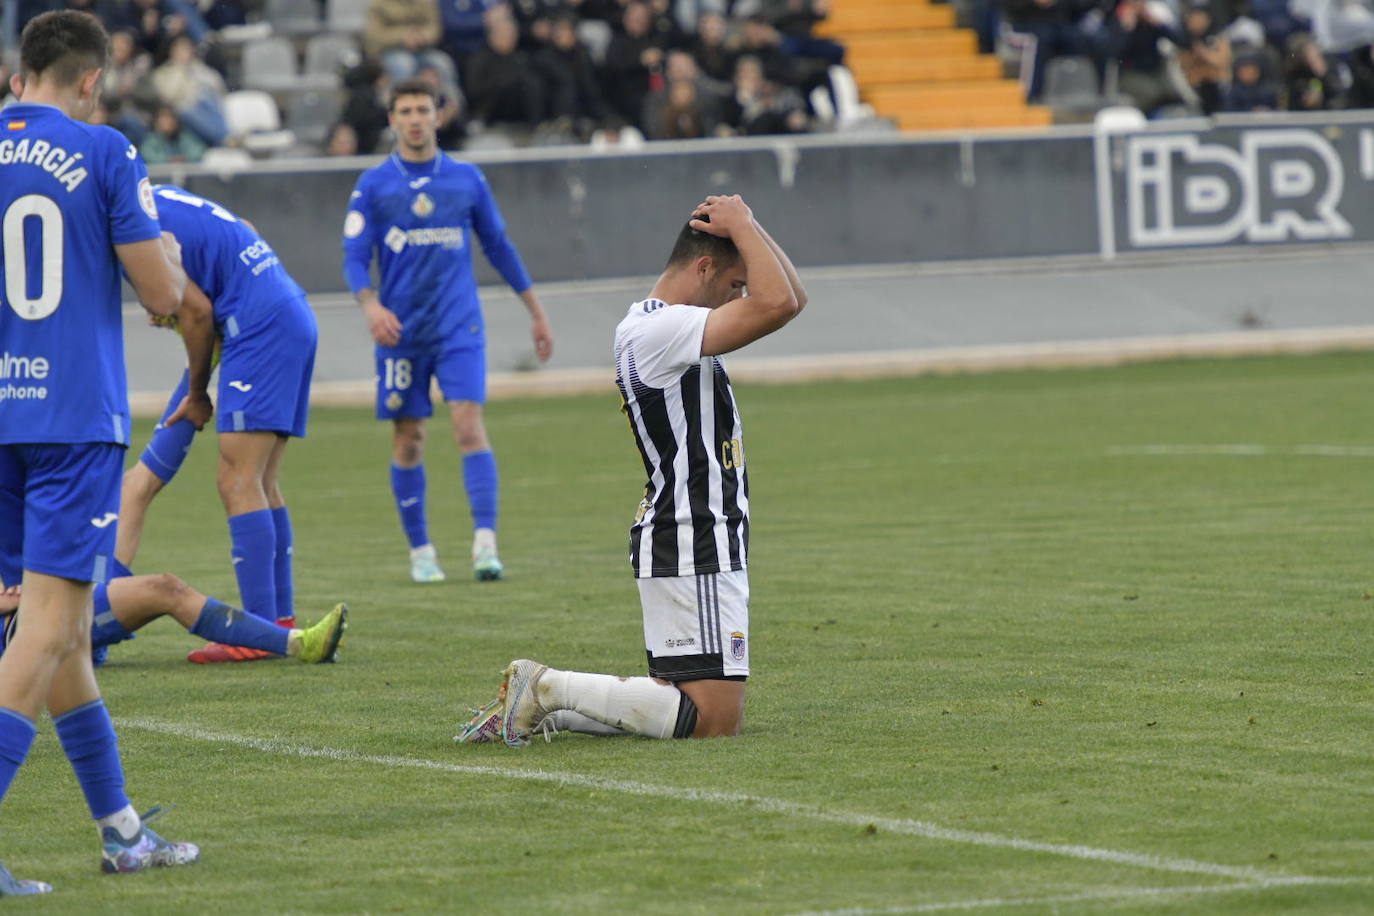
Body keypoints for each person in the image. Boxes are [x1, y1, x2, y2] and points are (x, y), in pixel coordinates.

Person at [456, 193, 805, 746]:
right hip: (694, 531)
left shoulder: (655, 327)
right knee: (713, 721)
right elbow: (778, 304)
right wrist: (742, 225)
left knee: (688, 707)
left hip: (688, 530)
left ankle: (539, 708)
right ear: (704, 267)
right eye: (735, 283)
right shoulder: (658, 330)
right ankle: (546, 687)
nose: (740, 296)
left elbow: (793, 297)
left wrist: (749, 226)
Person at [0, 9, 198, 892]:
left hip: (4, 411)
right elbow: (160, 290)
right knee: (43, 632)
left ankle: (121, 833)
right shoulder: (105, 149)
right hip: (72, 416)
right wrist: (170, 275)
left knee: (70, 631)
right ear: (89, 79)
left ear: (19, 74)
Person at [341, 77, 553, 584]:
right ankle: (421, 551)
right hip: (400, 333)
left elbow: (498, 246)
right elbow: (352, 256)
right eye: (405, 110)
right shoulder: (373, 185)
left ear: (440, 115)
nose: (415, 118)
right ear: (392, 120)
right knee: (410, 438)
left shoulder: (465, 179)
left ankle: (485, 544)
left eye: (423, 109)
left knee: (466, 425)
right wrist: (371, 307)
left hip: (459, 324)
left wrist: (535, 310)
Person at [115, 184, 320, 664]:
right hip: (286, 308)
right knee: (263, 480)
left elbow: (199, 310)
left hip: (257, 324)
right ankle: (277, 623)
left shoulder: (129, 222)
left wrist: (196, 391)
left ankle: (257, 634)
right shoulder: (158, 195)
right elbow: (243, 231)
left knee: (237, 479)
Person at [0, 581, 347, 665]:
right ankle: (298, 644)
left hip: (50, 597)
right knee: (165, 590)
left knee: (135, 492)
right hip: (22, 628)